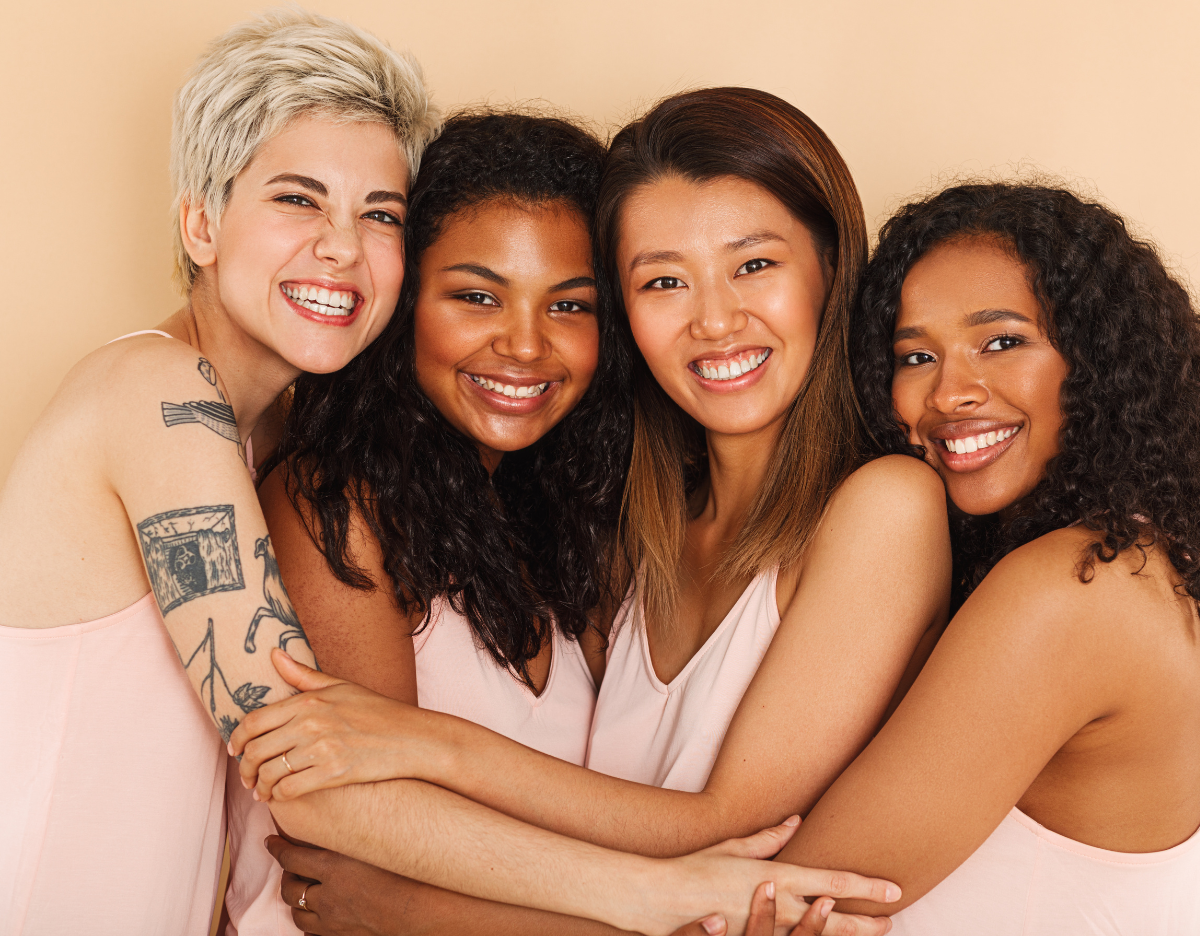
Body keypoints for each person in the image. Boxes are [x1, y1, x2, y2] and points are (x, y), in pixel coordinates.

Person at [231, 88, 946, 935]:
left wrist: (419, 864)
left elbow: (726, 833)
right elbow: (349, 821)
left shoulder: (880, 507)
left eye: (754, 265)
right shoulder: (629, 537)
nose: (715, 320)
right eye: (665, 280)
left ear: (832, 268)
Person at [0, 10, 437, 933]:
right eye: (298, 199)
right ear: (201, 223)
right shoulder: (155, 393)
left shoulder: (272, 436)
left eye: (381, 214)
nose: (343, 247)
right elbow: (309, 781)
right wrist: (658, 890)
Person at [761, 182, 1200, 932]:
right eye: (916, 355)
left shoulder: (1076, 587)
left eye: (1002, 341)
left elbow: (779, 911)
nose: (949, 392)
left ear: (1098, 361)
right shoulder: (1139, 562)